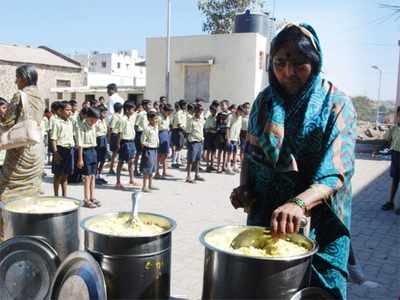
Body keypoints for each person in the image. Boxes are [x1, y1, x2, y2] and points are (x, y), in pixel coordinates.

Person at [230, 24, 356, 300]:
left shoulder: (336, 105)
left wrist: (299, 203)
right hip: (269, 214)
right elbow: (250, 153)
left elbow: (337, 170)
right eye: (280, 63)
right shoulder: (263, 103)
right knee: (263, 283)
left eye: (300, 64)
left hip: (321, 217)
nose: (288, 72)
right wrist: (245, 188)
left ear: (315, 62)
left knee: (320, 290)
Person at [76, 107, 100, 208]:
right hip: (85, 152)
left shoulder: (93, 126)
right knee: (87, 177)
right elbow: (80, 144)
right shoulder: (81, 127)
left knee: (93, 175)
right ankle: (86, 199)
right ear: (88, 117)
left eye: (96, 120)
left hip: (93, 150)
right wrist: (80, 158)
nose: (95, 122)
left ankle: (92, 197)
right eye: (94, 119)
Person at [51, 100, 75, 197]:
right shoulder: (56, 122)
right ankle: (56, 195)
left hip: (69, 150)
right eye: (67, 110)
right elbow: (53, 139)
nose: (70, 112)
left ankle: (65, 196)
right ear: (60, 110)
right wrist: (56, 153)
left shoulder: (70, 122)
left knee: (65, 175)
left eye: (70, 110)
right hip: (60, 150)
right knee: (58, 175)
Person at [380, 107, 400, 214]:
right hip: (396, 155)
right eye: (399, 115)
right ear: (397, 116)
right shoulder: (394, 128)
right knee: (395, 180)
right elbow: (386, 140)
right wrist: (377, 149)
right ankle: (391, 202)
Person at [116, 101, 139, 189]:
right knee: (121, 162)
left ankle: (131, 179)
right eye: (132, 109)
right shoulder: (122, 119)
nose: (133, 111)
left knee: (131, 162)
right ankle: (118, 182)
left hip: (131, 141)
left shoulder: (132, 118)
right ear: (127, 109)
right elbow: (120, 133)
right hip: (124, 142)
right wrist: (118, 144)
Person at [185, 104, 205, 183]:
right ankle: (188, 176)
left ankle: (197, 175)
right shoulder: (191, 120)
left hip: (200, 141)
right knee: (191, 160)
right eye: (199, 110)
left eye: (201, 110)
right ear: (195, 110)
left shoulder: (201, 119)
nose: (200, 112)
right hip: (193, 142)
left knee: (198, 159)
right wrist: (189, 141)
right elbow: (187, 132)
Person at [140, 111, 159, 192]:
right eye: (155, 119)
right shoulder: (147, 128)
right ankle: (144, 186)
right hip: (148, 150)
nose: (156, 120)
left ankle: (150, 184)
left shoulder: (156, 127)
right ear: (150, 119)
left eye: (157, 118)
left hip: (155, 149)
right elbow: (142, 141)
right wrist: (146, 148)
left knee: (152, 167)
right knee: (147, 168)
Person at [155, 103, 173, 179]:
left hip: (166, 134)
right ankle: (157, 172)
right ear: (164, 111)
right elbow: (156, 128)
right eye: (168, 112)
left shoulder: (168, 118)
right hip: (160, 134)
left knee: (166, 154)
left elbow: (168, 127)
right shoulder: (159, 118)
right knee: (159, 154)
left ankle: (164, 171)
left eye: (170, 113)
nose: (169, 114)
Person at [134, 99, 151, 176]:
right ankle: (135, 170)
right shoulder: (141, 114)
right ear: (144, 106)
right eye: (149, 105)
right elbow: (136, 125)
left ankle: (142, 169)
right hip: (140, 133)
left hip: (146, 134)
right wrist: (139, 135)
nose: (150, 106)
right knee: (138, 152)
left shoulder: (149, 114)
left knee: (144, 153)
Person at [226, 105, 243, 174]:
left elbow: (239, 128)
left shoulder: (240, 117)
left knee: (235, 152)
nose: (241, 114)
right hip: (231, 138)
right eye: (240, 112)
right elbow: (228, 127)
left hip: (236, 138)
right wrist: (228, 138)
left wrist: (238, 137)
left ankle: (234, 166)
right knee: (230, 152)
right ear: (238, 110)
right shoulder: (231, 116)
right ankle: (228, 167)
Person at [215, 100, 230, 173]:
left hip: (228, 135)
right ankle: (218, 167)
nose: (222, 107)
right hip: (220, 134)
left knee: (225, 151)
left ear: (227, 105)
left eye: (223, 105)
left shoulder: (230, 114)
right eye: (221, 106)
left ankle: (224, 166)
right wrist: (218, 128)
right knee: (220, 151)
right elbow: (217, 124)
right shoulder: (219, 114)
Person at [171, 100, 187, 168]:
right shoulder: (179, 113)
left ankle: (178, 161)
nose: (186, 106)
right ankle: (174, 161)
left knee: (180, 147)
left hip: (181, 131)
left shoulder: (183, 113)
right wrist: (185, 131)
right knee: (178, 146)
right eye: (185, 105)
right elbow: (179, 124)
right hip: (178, 130)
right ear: (182, 105)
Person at [108, 102, 123, 174]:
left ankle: (114, 167)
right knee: (114, 153)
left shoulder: (119, 116)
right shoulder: (115, 117)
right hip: (115, 135)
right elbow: (111, 128)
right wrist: (110, 137)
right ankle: (111, 168)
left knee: (116, 153)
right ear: (120, 109)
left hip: (118, 135)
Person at [95, 105, 109, 185]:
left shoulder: (104, 121)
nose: (105, 115)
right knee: (97, 159)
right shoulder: (96, 121)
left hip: (104, 139)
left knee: (103, 159)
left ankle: (99, 174)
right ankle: (95, 175)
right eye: (104, 113)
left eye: (106, 113)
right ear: (99, 113)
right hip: (98, 140)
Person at [204, 104, 218, 172]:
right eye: (212, 110)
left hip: (215, 135)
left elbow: (217, 127)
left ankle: (212, 165)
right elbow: (206, 127)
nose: (214, 112)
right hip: (209, 135)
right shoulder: (209, 118)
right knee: (209, 150)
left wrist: (212, 128)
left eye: (215, 110)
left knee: (214, 151)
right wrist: (210, 129)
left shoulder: (217, 117)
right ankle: (207, 165)